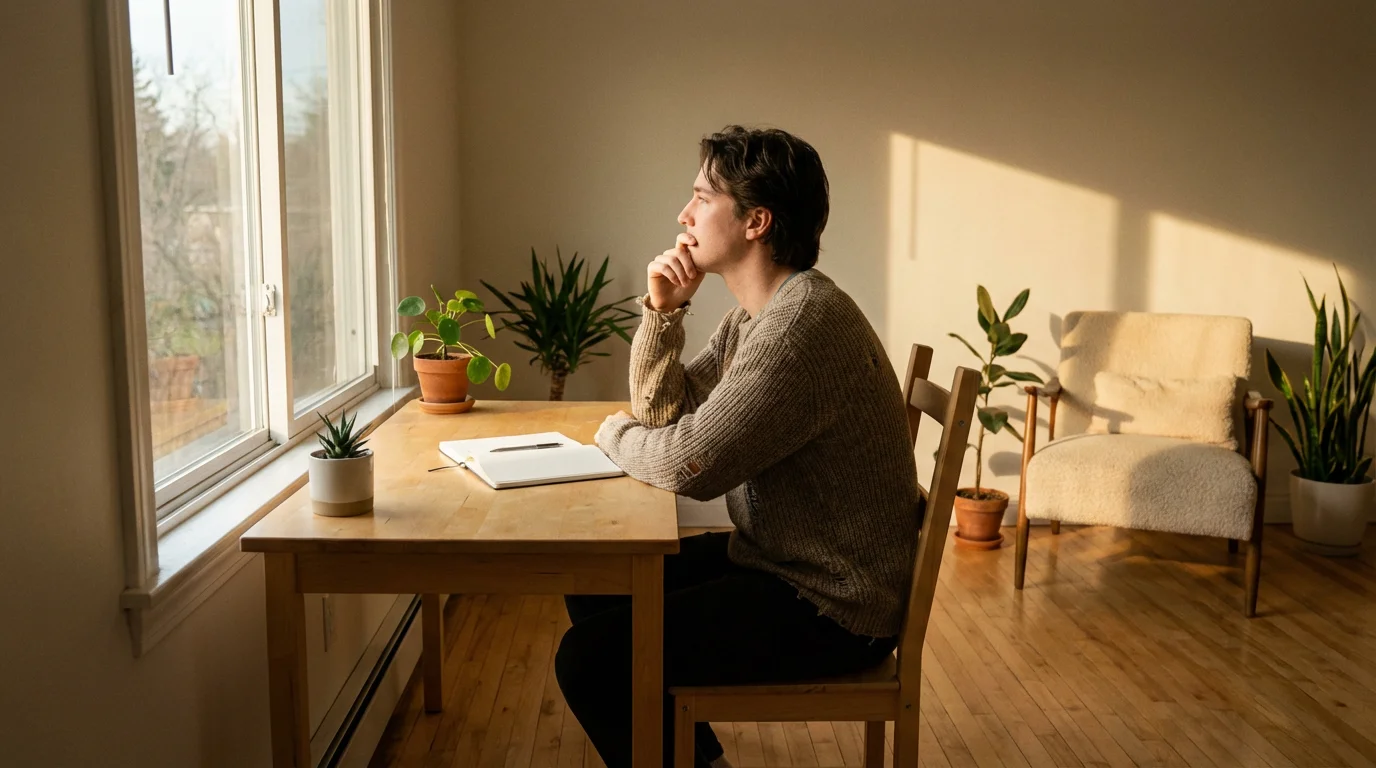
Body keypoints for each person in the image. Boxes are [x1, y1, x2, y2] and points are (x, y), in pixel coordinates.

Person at [554, 125, 923, 768]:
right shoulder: (755, 315)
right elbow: (666, 412)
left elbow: (683, 463)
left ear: (756, 221)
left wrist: (612, 435)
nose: (684, 214)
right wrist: (663, 313)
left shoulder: (798, 329)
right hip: (780, 563)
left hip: (832, 605)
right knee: (596, 580)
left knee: (590, 660)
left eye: (702, 196)